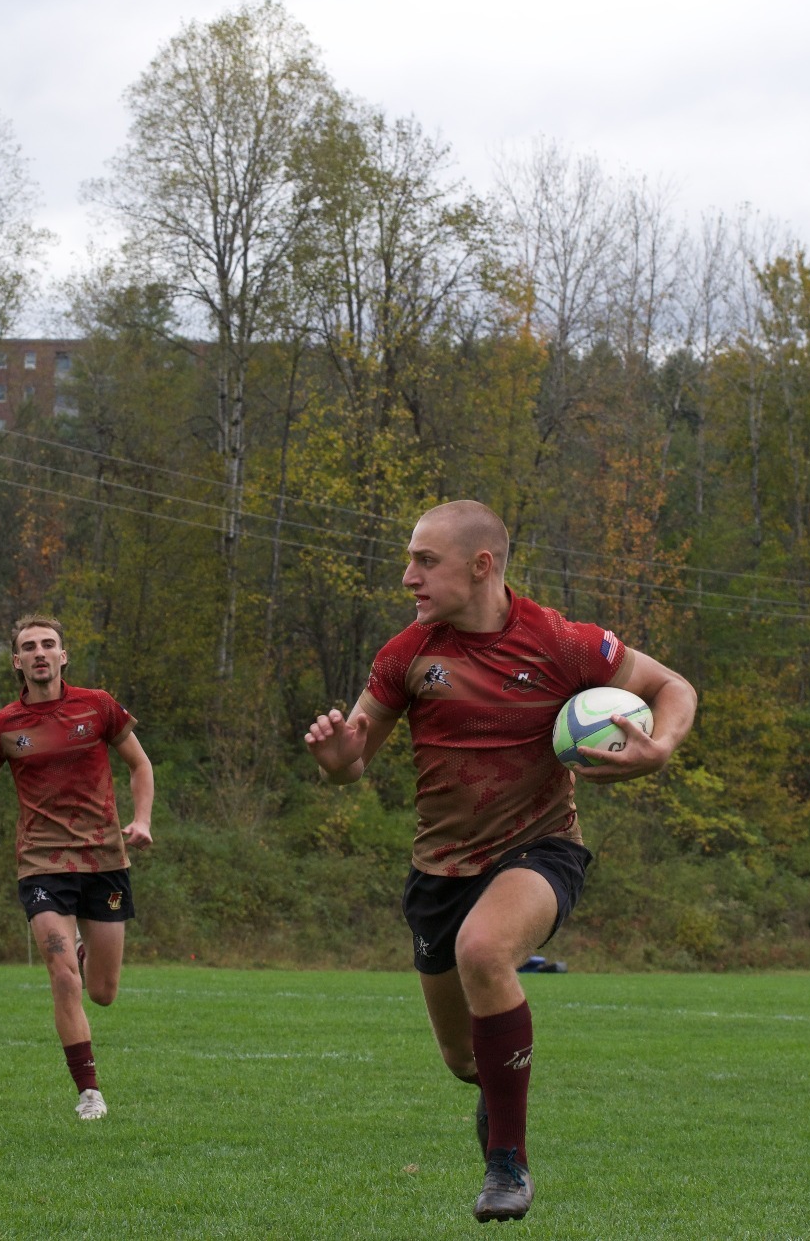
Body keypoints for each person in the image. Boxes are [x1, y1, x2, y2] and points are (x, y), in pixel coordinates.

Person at [303, 500, 696, 1224]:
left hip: (540, 850)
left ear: (481, 565)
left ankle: (506, 1166)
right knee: (463, 1060)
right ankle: (497, 1091)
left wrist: (661, 746)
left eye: (425, 560)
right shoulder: (407, 655)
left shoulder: (563, 642)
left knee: (485, 951)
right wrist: (337, 762)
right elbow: (354, 759)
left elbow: (674, 687)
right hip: (439, 870)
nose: (407, 576)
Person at [0, 614, 152, 1121]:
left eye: (49, 644)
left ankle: (81, 948)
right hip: (41, 862)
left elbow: (139, 763)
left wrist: (142, 820)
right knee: (63, 977)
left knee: (103, 992)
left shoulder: (97, 706)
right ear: (17, 661)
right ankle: (89, 1091)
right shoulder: (2, 725)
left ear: (63, 655)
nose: (40, 652)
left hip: (104, 859)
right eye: (30, 646)